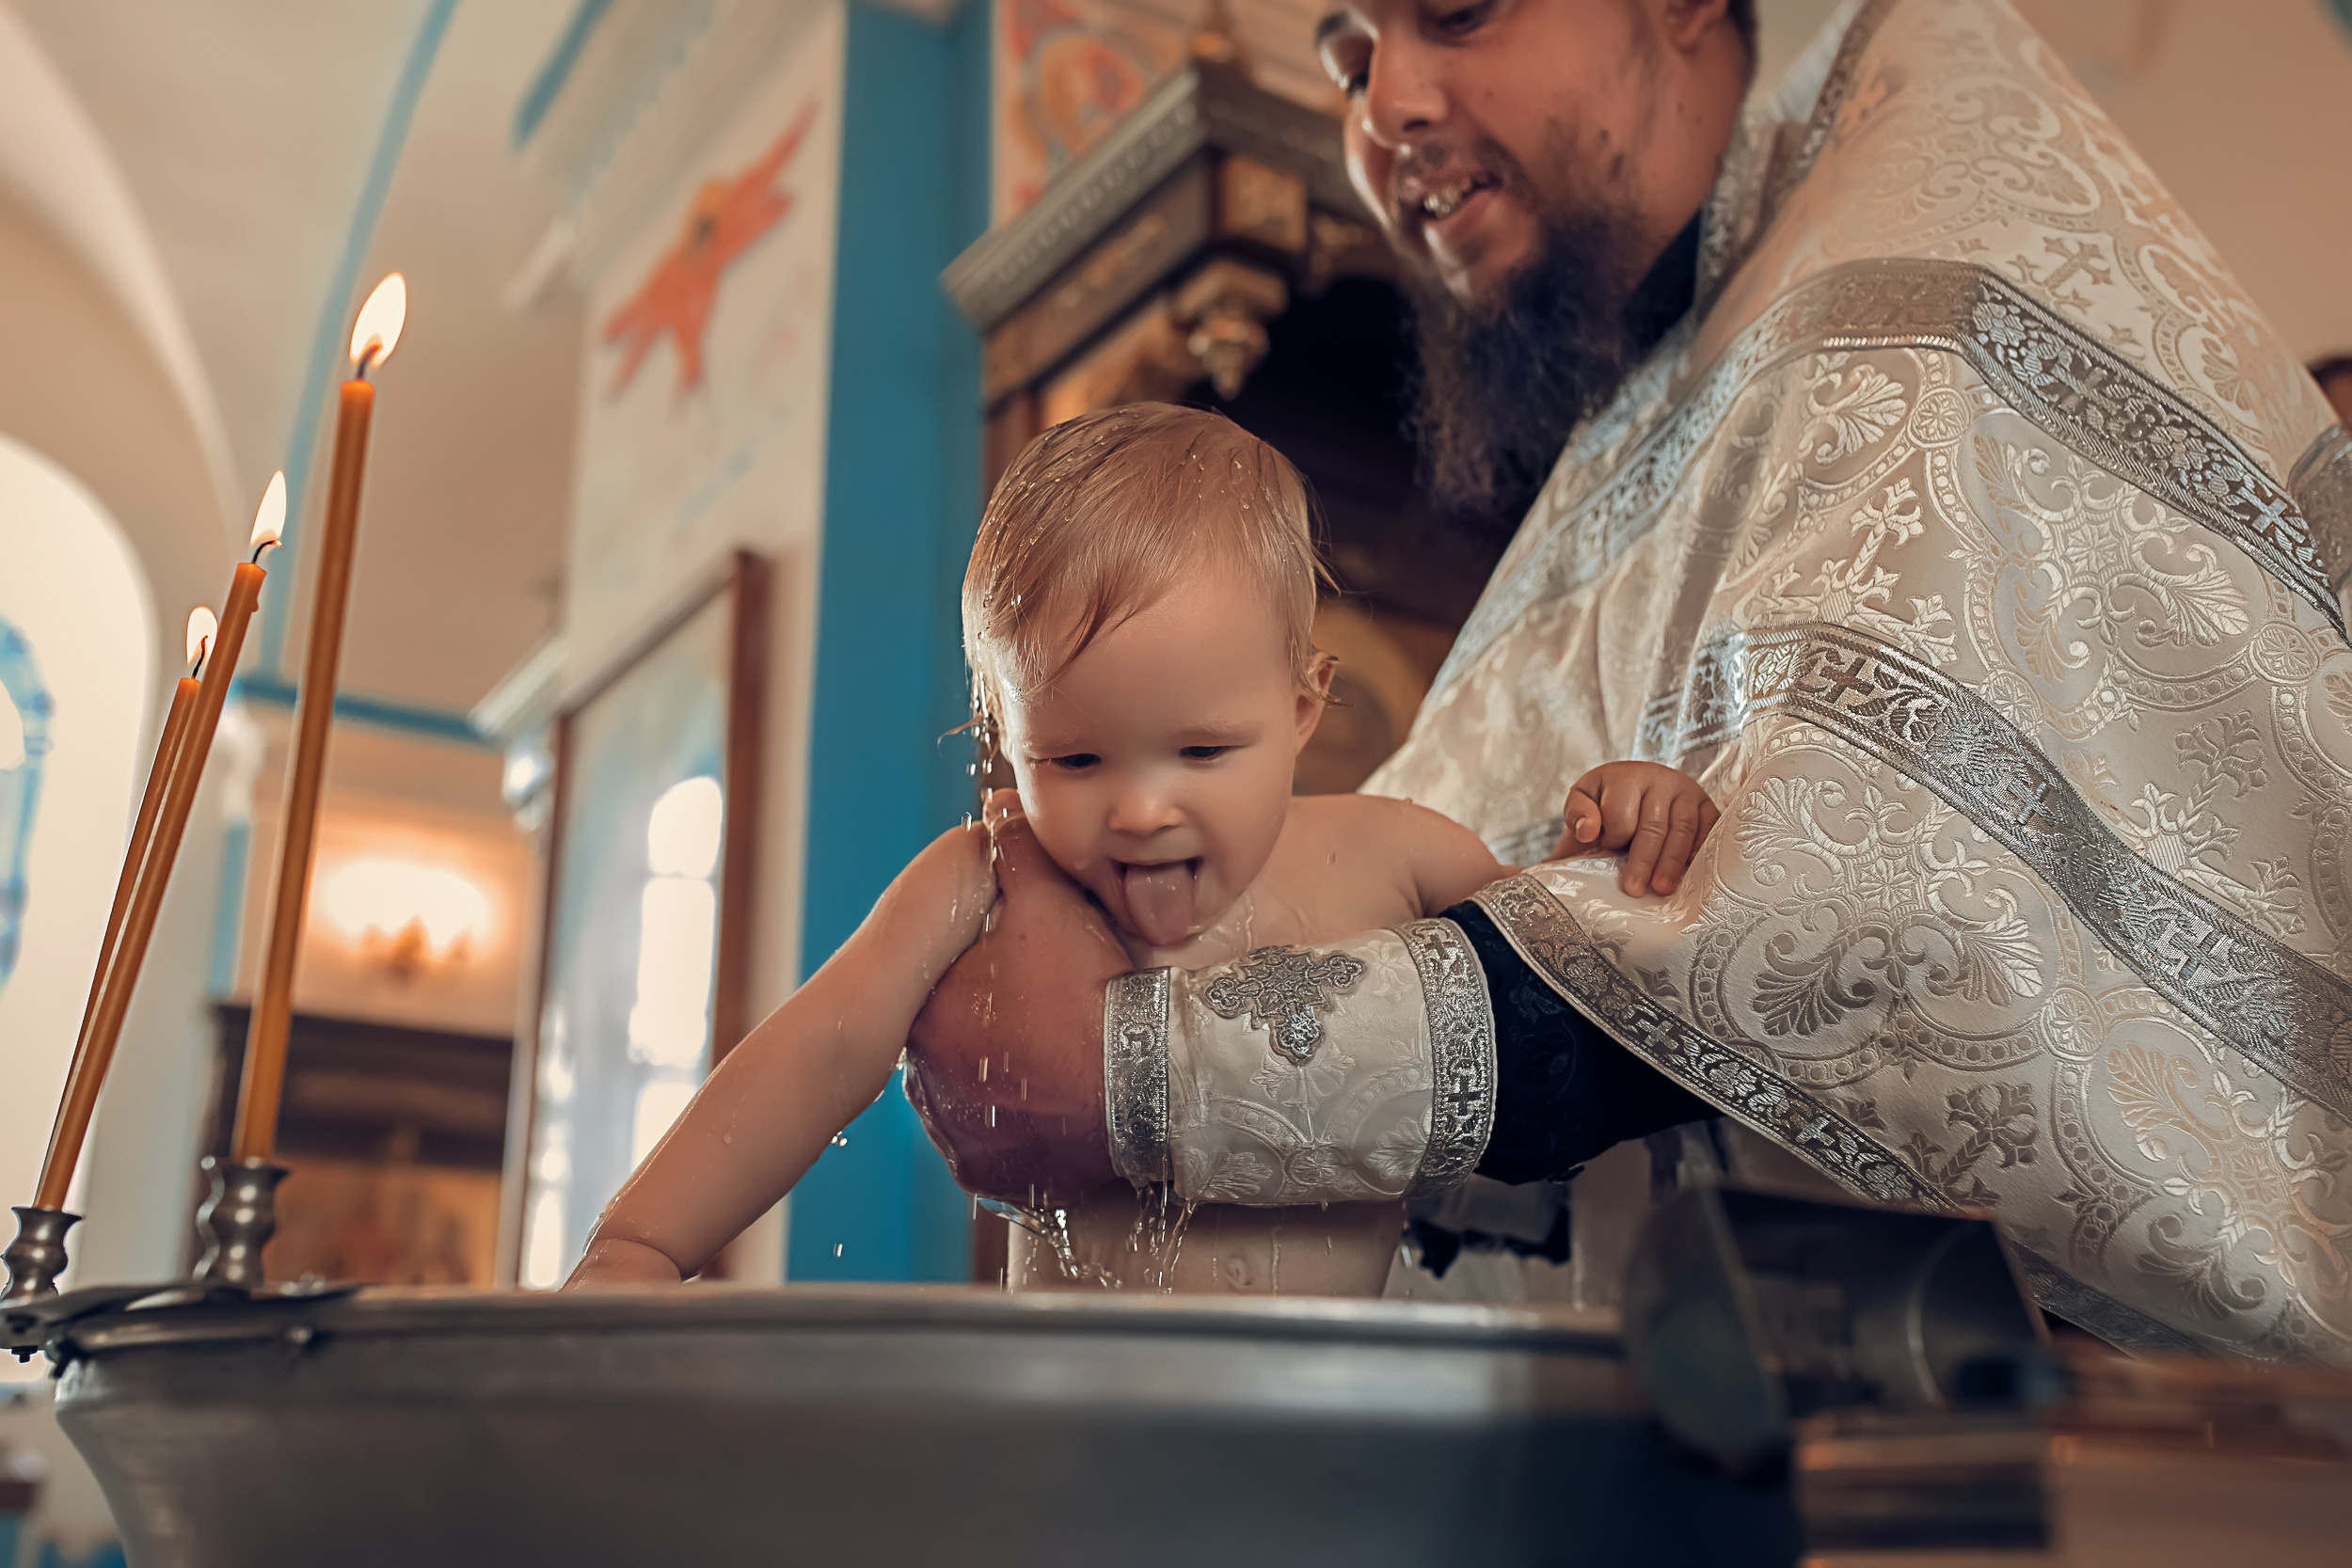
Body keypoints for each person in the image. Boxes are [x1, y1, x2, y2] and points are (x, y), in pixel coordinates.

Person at [907, 0, 2352, 1367]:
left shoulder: (1927, 247)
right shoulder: (1655, 386)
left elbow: (1867, 930)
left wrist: (1144, 1070)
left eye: (1458, 10)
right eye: (1348, 58)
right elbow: (1411, 915)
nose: (1386, 105)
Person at [566, 403, 1716, 1292]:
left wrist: (1626, 819)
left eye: (1202, 750)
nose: (1138, 810)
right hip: (1072, 1426)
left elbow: (1571, 985)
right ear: (1005, 739)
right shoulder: (984, 879)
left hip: (1323, 1427)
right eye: (1073, 759)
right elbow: (816, 1054)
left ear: (1302, 705)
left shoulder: (1393, 855)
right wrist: (642, 1242)